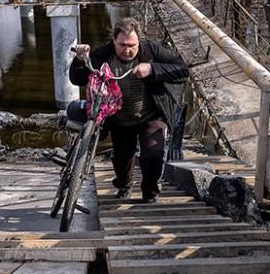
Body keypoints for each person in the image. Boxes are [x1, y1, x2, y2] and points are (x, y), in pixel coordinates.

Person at [69, 17, 189, 203]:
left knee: (153, 153)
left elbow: (182, 70)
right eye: (122, 45)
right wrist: (79, 59)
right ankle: (124, 185)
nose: (127, 50)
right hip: (119, 118)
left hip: (150, 114)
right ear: (114, 41)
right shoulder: (104, 54)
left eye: (132, 45)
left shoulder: (151, 51)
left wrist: (152, 69)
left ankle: (150, 192)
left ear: (139, 41)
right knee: (122, 158)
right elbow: (77, 79)